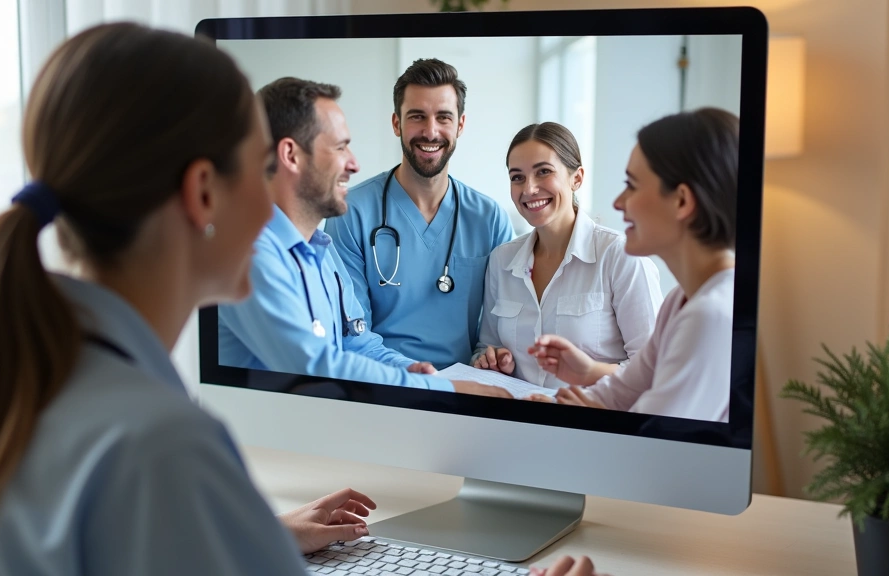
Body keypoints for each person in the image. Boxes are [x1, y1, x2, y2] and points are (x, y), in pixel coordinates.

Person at [0, 23, 455, 576]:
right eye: (257, 168)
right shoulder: (163, 448)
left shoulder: (11, 388)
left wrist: (244, 531)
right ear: (204, 193)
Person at [217, 77, 507, 398]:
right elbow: (312, 364)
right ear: (291, 155)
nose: (354, 164)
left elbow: (356, 341)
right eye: (340, 147)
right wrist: (442, 387)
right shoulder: (247, 254)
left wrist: (408, 370)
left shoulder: (321, 251)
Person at [527, 108, 738, 423]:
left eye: (633, 185)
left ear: (682, 201)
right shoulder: (680, 300)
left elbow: (651, 440)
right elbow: (623, 391)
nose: (618, 202)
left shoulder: (711, 315)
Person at [325, 58, 515, 370]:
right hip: (383, 381)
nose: (430, 131)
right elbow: (352, 334)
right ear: (396, 123)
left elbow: (502, 327)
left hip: (467, 384)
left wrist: (490, 357)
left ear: (460, 125)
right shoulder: (350, 213)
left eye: (443, 117)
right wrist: (413, 375)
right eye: (417, 116)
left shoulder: (490, 219)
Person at [472, 122, 662, 389]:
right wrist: (492, 359)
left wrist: (591, 374)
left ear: (577, 178)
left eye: (544, 172)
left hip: (594, 413)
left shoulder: (621, 256)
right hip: (518, 413)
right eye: (517, 177)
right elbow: (486, 346)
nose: (529, 189)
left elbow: (654, 369)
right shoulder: (501, 260)